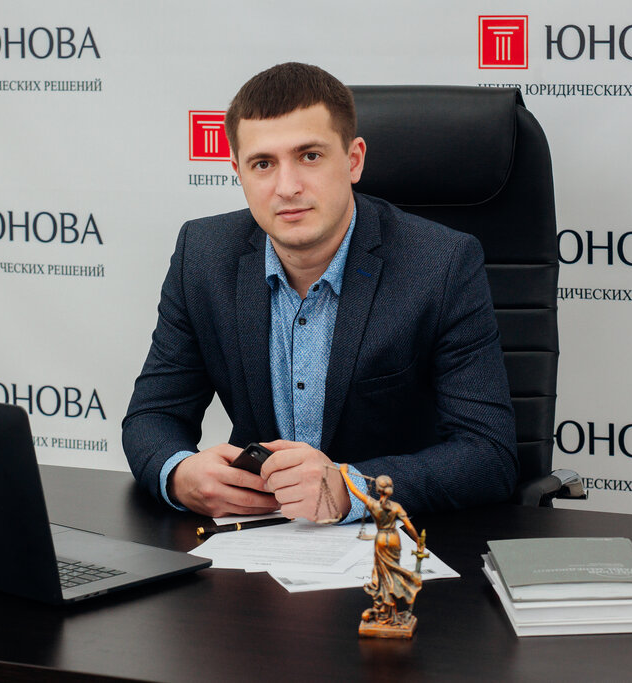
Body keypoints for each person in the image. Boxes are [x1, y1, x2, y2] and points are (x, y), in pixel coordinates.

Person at [122, 62, 516, 522]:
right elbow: (152, 416)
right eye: (263, 164)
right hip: (257, 539)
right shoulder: (203, 255)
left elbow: (488, 454)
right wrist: (179, 474)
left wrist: (352, 490)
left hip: (391, 543)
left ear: (353, 160)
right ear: (238, 171)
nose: (287, 188)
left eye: (309, 156)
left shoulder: (442, 264)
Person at [339, 465, 422, 628]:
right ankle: (389, 611)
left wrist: (344, 473)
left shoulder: (374, 505)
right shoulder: (396, 507)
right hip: (394, 538)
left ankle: (385, 611)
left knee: (382, 575)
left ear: (378, 490)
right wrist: (418, 542)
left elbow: (355, 491)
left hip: (382, 539)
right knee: (393, 571)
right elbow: (409, 526)